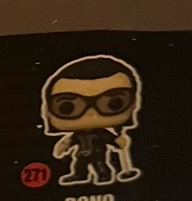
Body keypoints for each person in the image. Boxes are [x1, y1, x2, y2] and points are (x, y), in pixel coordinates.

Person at [40, 56, 142, 189]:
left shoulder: (101, 133)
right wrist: (63, 146)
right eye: (67, 107)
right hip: (81, 154)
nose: (91, 113)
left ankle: (104, 175)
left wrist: (118, 142)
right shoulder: (78, 135)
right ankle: (79, 175)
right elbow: (69, 141)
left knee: (100, 165)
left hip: (98, 154)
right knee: (79, 165)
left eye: (113, 103)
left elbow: (112, 140)